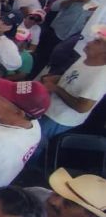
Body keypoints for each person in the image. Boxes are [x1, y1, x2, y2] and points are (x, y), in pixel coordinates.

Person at [37, 26, 106, 158]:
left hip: (59, 118)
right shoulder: (85, 57)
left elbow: (82, 107)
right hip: (49, 108)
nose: (89, 42)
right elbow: (72, 77)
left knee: (36, 144)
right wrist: (56, 79)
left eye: (97, 42)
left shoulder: (100, 77)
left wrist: (56, 88)